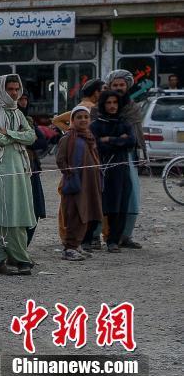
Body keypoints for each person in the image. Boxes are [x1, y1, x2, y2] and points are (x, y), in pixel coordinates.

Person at [0, 75, 37, 276]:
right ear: (0, 90)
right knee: (2, 212)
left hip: (19, 167)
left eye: (16, 89)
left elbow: (31, 136)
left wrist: (11, 134)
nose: (13, 93)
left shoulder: (17, 113)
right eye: (10, 89)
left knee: (19, 212)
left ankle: (12, 258)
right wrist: (17, 136)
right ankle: (6, 259)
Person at [91, 91, 137, 253]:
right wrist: (119, 140)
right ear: (103, 105)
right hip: (103, 170)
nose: (112, 106)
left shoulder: (124, 123)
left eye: (115, 103)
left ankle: (113, 240)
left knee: (121, 204)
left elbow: (131, 141)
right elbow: (96, 145)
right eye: (108, 102)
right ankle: (90, 238)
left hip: (121, 170)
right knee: (100, 204)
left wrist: (109, 139)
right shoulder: (96, 125)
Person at [56, 106, 103, 261]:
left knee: (86, 214)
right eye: (79, 117)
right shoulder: (68, 137)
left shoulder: (89, 137)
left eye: (86, 117)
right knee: (75, 214)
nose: (83, 120)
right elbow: (60, 159)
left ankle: (77, 245)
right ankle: (69, 248)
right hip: (75, 184)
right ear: (72, 120)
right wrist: (69, 172)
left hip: (89, 184)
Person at [104, 69, 145, 249]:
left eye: (122, 85)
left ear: (128, 86)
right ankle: (100, 237)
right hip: (108, 157)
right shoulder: (105, 106)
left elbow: (137, 135)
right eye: (116, 85)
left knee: (132, 198)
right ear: (110, 86)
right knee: (107, 197)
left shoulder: (133, 107)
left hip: (129, 156)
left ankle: (125, 236)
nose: (119, 88)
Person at [18, 93, 52, 247]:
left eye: (24, 98)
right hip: (15, 171)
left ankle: (24, 246)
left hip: (32, 168)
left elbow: (42, 143)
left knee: (35, 209)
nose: (22, 102)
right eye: (19, 98)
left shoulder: (29, 120)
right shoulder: (1, 119)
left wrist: (24, 140)